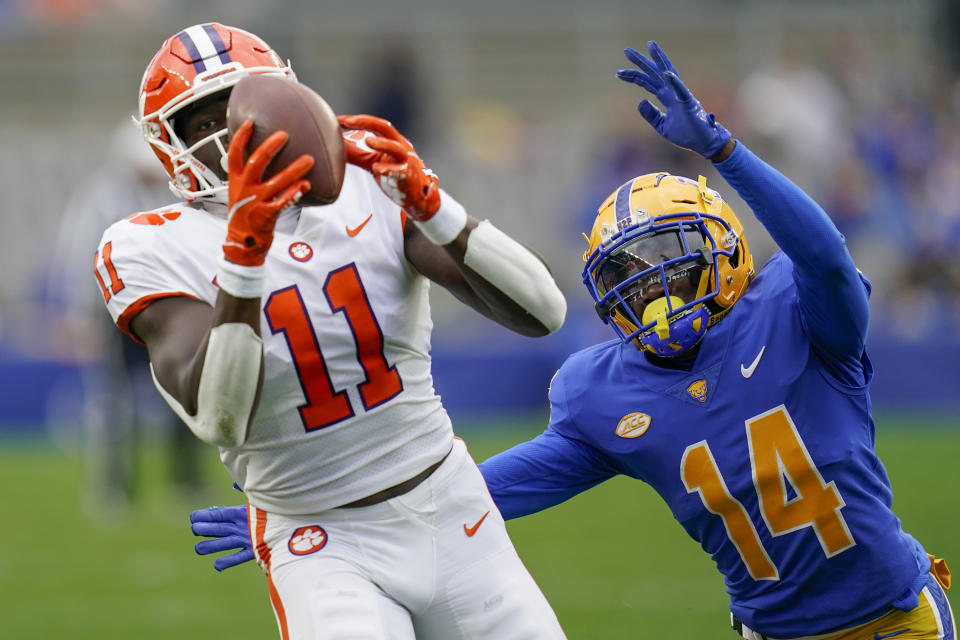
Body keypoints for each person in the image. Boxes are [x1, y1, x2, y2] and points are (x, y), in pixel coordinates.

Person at [190, 41, 956, 640]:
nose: (652, 290)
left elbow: (823, 255)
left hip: (896, 617)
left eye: (668, 264)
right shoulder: (607, 391)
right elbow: (478, 492)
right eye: (632, 274)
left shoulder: (795, 313)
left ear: (724, 254)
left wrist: (723, 151)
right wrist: (311, 514)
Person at [94, 22, 567, 640]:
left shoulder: (362, 184)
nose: (229, 135)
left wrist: (433, 204)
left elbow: (541, 314)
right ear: (169, 145)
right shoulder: (147, 244)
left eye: (238, 108)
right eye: (202, 123)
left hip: (448, 503)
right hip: (318, 537)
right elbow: (218, 415)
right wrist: (245, 253)